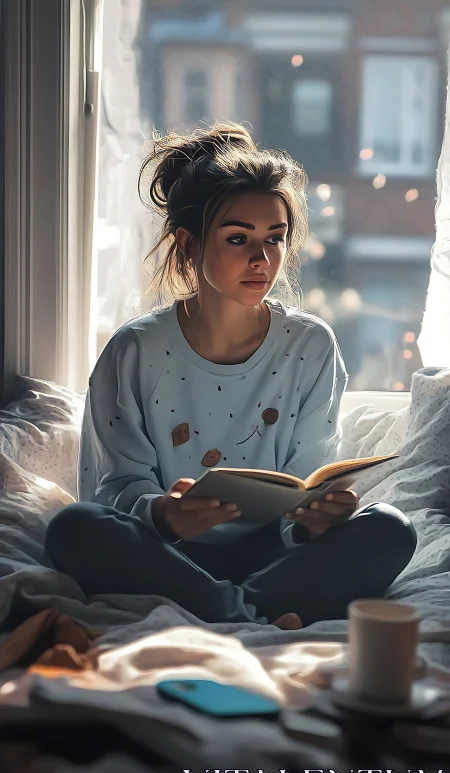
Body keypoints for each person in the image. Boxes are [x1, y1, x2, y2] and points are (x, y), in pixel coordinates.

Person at [45, 123, 417, 630]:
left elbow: (308, 478)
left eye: (275, 239)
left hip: (273, 557)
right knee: (74, 527)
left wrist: (316, 518)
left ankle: (219, 613)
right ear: (189, 242)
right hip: (163, 556)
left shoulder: (311, 346)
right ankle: (246, 616)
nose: (261, 258)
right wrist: (163, 515)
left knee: (392, 529)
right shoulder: (135, 350)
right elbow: (112, 489)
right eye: (238, 238)